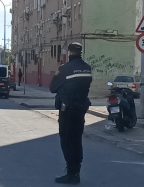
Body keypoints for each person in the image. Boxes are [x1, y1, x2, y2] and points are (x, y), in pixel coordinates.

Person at [50, 42, 92, 185]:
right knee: (77, 139)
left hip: (67, 109)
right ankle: (76, 171)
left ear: (69, 53)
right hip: (81, 109)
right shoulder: (87, 68)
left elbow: (52, 88)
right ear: (80, 52)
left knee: (67, 140)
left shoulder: (65, 69)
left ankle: (72, 174)